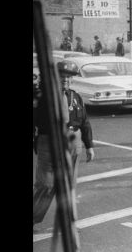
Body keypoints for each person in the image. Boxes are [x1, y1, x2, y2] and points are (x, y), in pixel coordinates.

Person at [33, 61, 96, 228]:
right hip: (49, 142)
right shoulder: (43, 96)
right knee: (46, 184)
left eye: (68, 77)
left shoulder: (75, 97)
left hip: (73, 141)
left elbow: (84, 121)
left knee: (69, 185)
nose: (65, 80)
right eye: (62, 77)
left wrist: (89, 145)